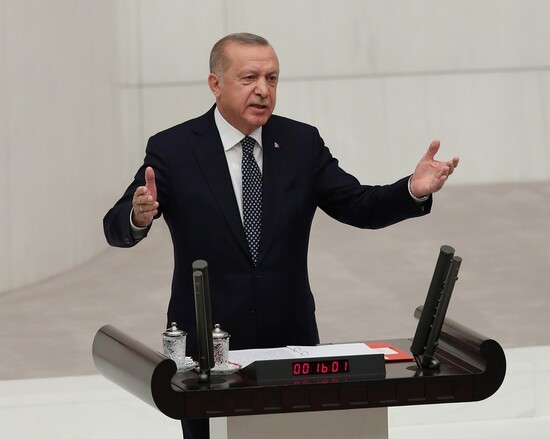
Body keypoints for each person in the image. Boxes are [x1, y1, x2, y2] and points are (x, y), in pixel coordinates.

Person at [103, 32, 458, 439]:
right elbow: (115, 227)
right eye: (249, 78)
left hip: (291, 342)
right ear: (215, 84)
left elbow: (358, 205)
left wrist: (412, 189)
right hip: (207, 350)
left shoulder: (300, 143)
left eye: (272, 78)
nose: (263, 90)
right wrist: (138, 215)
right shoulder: (174, 149)